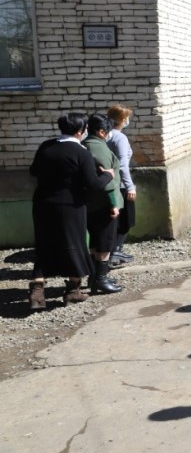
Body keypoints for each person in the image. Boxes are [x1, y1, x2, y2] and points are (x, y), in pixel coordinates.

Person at [28, 113, 114, 310]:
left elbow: (34, 171)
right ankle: (73, 291)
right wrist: (108, 176)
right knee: (74, 245)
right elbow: (93, 184)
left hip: (42, 204)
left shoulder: (46, 146)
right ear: (80, 131)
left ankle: (37, 292)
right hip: (70, 206)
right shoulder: (81, 152)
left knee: (44, 244)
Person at [83, 113, 124, 295]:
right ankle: (101, 279)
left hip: (90, 203)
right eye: (108, 131)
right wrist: (114, 204)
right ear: (101, 132)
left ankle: (94, 277)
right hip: (103, 204)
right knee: (105, 242)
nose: (109, 134)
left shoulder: (85, 145)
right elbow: (108, 181)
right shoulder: (99, 149)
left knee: (95, 241)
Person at [106, 104, 137, 265]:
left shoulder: (103, 136)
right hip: (121, 185)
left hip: (106, 183)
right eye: (127, 118)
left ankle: (110, 251)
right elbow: (123, 165)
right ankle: (115, 251)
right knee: (126, 220)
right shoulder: (120, 138)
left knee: (112, 220)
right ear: (123, 119)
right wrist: (130, 186)